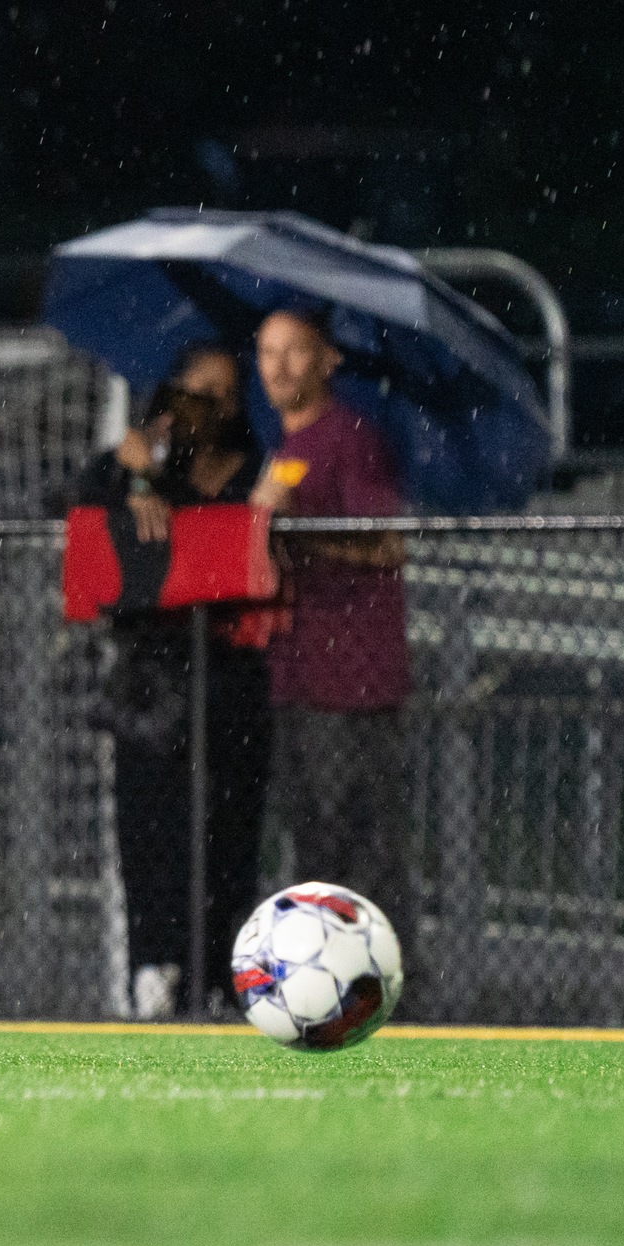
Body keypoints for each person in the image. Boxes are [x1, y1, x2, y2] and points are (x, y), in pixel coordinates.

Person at [75, 343, 271, 1018]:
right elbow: (83, 502)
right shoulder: (145, 468)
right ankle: (153, 967)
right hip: (152, 682)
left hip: (229, 680)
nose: (212, 408)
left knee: (227, 832)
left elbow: (252, 540)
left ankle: (217, 975)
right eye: (198, 392)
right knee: (150, 827)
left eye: (225, 394)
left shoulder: (251, 471)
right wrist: (135, 479)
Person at [249, 308, 413, 948]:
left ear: (328, 360)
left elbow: (389, 546)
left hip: (354, 683)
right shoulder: (283, 448)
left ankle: (397, 990)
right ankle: (329, 986)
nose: (279, 366)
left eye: (295, 350)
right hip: (297, 675)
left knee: (365, 850)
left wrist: (298, 537)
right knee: (314, 846)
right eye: (267, 352)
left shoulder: (350, 437)